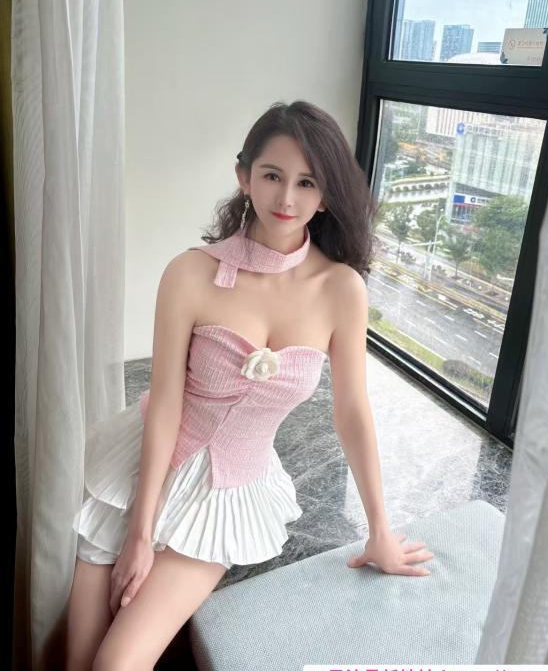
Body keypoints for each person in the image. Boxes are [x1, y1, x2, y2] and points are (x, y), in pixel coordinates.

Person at [66, 100, 434, 670]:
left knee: (115, 664)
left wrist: (379, 530)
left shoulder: (341, 289)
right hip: (139, 466)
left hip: (226, 494)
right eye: (272, 175)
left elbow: (353, 412)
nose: (287, 198)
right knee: (75, 658)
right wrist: (139, 533)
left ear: (326, 194)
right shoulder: (190, 273)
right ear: (244, 176)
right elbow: (165, 405)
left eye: (307, 182)